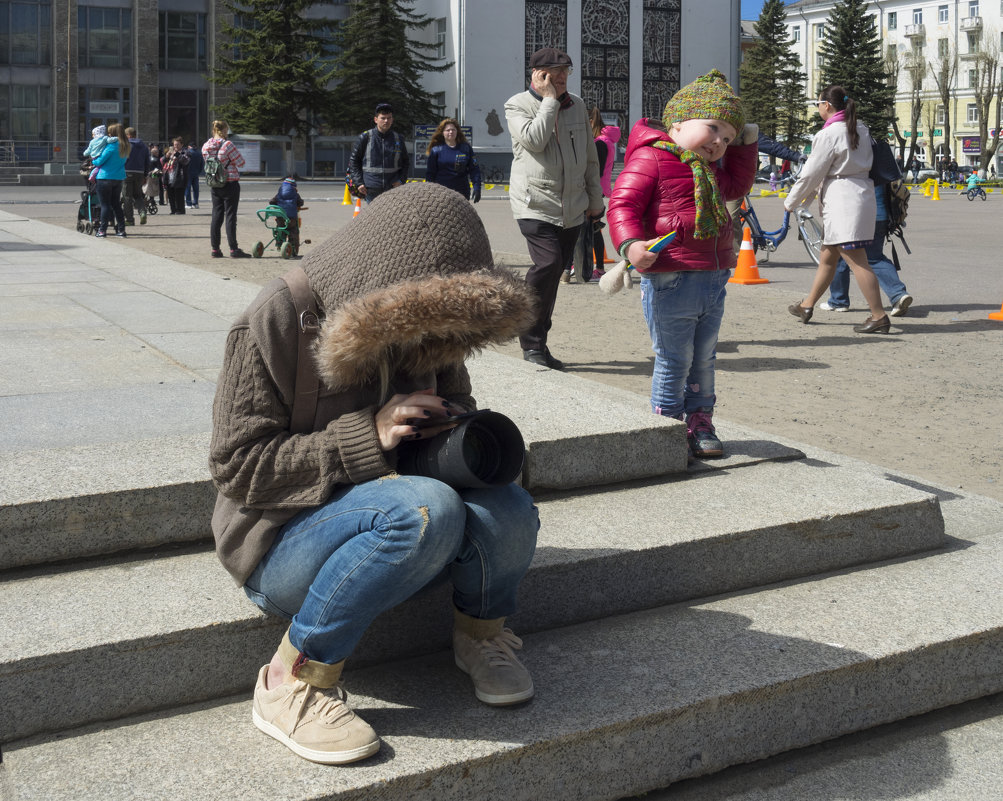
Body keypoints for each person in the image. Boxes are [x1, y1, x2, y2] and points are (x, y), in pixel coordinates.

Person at [208, 182, 539, 765]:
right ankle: (292, 683)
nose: (440, 342)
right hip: (281, 539)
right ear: (389, 284)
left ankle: (480, 635)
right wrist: (372, 432)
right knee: (422, 508)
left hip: (392, 522)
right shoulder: (274, 321)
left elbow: (455, 418)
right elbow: (238, 467)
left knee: (507, 506)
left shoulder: (432, 326)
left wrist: (462, 436)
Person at [608, 69, 757, 458]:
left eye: (727, 138)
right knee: (675, 359)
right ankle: (666, 427)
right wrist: (631, 246)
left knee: (704, 357)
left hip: (712, 278)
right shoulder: (651, 158)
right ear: (676, 123)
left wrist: (747, 143)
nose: (719, 142)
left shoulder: (708, 171)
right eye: (712, 128)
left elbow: (738, 186)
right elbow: (623, 204)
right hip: (671, 276)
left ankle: (700, 421)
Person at [505, 47, 604, 370]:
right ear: (537, 75)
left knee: (553, 273)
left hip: (572, 206)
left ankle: (539, 343)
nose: (561, 77)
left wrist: (595, 199)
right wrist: (548, 101)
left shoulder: (576, 105)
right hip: (535, 203)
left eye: (566, 71)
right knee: (547, 264)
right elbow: (534, 140)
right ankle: (528, 335)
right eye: (555, 71)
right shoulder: (517, 105)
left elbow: (590, 157)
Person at [784, 86, 888, 334]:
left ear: (827, 106)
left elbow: (811, 173)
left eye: (817, 104)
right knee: (828, 257)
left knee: (857, 260)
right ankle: (807, 305)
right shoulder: (860, 127)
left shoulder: (829, 134)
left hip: (843, 201)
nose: (818, 109)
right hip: (859, 194)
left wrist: (791, 201)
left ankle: (879, 315)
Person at [820, 185, 913, 316]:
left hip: (854, 214)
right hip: (882, 215)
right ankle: (898, 294)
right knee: (875, 258)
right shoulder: (884, 164)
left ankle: (838, 301)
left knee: (840, 255)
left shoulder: (857, 165)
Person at [566, 107, 620, 283]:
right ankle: (593, 267)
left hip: (594, 190)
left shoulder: (599, 143)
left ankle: (592, 267)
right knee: (594, 229)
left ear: (590, 122)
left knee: (590, 230)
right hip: (599, 189)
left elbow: (595, 169)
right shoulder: (605, 141)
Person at [202, 120, 250, 258]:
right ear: (223, 131)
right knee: (230, 216)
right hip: (230, 183)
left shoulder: (206, 146)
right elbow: (241, 162)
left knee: (216, 216)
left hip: (215, 184)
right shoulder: (228, 145)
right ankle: (233, 249)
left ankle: (215, 249)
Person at [348, 102, 408, 203]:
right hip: (371, 189)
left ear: (392, 120)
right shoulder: (365, 137)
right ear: (376, 119)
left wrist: (401, 180)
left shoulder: (398, 138)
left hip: (393, 188)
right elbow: (354, 161)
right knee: (374, 218)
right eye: (383, 118)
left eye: (389, 118)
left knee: (391, 217)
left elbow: (405, 162)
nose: (386, 121)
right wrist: (359, 183)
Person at [425, 118, 482, 201]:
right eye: (448, 130)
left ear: (457, 132)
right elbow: (430, 174)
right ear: (442, 133)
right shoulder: (436, 150)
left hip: (462, 192)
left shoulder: (465, 148)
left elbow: (474, 170)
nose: (451, 132)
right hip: (441, 193)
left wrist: (477, 188)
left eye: (453, 130)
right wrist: (429, 192)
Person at [91, 123, 131, 238]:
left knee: (105, 205)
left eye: (109, 133)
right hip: (118, 178)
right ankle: (121, 230)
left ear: (112, 134)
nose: (108, 135)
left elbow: (99, 161)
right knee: (116, 204)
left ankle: (102, 230)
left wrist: (93, 160)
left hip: (104, 177)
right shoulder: (125, 146)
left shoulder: (111, 146)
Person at [121, 127, 150, 226]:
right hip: (140, 173)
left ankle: (129, 219)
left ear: (128, 135)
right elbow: (147, 162)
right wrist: (145, 175)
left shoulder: (125, 145)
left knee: (127, 197)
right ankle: (142, 212)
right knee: (138, 195)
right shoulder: (144, 146)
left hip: (126, 172)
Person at [269, 175, 304, 256]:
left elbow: (271, 202)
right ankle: (293, 249)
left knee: (280, 228)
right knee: (293, 230)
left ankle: (279, 243)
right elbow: (300, 203)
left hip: (280, 217)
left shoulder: (279, 193)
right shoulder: (295, 194)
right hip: (291, 218)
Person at [162, 137, 190, 215]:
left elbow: (185, 161)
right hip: (169, 176)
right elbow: (162, 161)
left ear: (182, 144)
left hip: (179, 176)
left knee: (179, 194)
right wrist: (166, 156)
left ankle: (180, 210)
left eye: (177, 144)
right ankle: (173, 209)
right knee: (171, 194)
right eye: (174, 145)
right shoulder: (171, 152)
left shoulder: (185, 152)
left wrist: (177, 154)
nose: (176, 146)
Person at [185, 142, 204, 209]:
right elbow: (202, 164)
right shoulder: (199, 153)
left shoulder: (188, 152)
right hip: (196, 173)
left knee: (188, 188)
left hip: (188, 173)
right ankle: (195, 203)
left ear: (189, 146)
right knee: (196, 189)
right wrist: (198, 172)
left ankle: (189, 203)